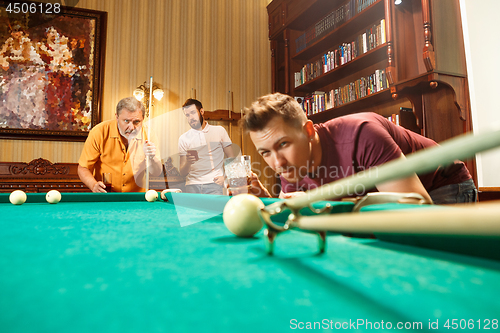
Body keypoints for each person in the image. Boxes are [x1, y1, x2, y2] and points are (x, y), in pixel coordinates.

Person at [240, 92, 476, 204]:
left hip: (442, 184)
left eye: (283, 144)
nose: (278, 163)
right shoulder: (291, 167)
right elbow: (294, 211)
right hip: (391, 200)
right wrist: (265, 200)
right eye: (266, 152)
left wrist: (327, 204)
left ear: (309, 132)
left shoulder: (362, 133)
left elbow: (417, 206)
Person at [78, 97, 163, 192]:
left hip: (137, 199)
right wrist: (93, 185)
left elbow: (156, 172)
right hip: (106, 197)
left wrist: (152, 158)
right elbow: (83, 168)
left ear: (143, 119)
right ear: (117, 117)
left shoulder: (149, 134)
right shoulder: (99, 132)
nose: (131, 127)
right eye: (126, 121)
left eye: (137, 122)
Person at [178, 99, 235, 195]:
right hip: (192, 186)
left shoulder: (219, 131)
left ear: (201, 111)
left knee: (215, 210)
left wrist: (225, 177)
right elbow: (182, 173)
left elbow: (232, 158)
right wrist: (188, 162)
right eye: (187, 115)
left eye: (193, 113)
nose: (190, 117)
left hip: (214, 185)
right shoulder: (183, 138)